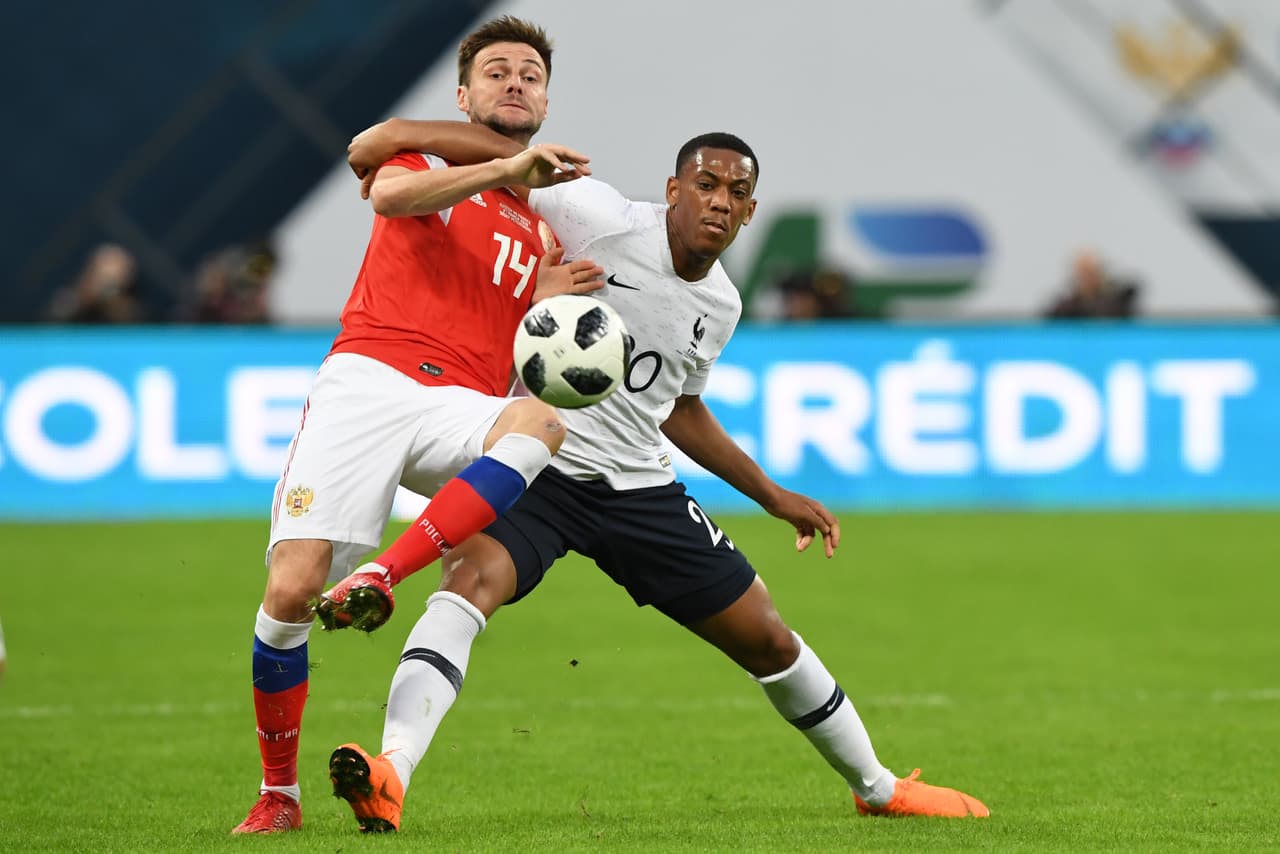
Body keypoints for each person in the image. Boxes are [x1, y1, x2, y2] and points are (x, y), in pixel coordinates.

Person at [326, 121, 990, 833]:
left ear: (751, 211)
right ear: (673, 190)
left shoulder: (721, 305)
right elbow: (503, 171)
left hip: (639, 489)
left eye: (737, 193)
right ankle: (391, 772)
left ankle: (878, 787)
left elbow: (678, 408)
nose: (720, 203)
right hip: (536, 468)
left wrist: (774, 497)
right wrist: (430, 154)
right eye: (705, 185)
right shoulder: (597, 214)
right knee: (466, 587)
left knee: (767, 637)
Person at [230, 16, 607, 834]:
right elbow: (389, 194)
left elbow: (514, 355)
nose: (516, 82)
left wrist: (544, 308)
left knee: (543, 423)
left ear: (546, 101)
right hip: (367, 378)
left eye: (531, 75)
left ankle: (383, 577)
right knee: (291, 593)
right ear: (464, 95)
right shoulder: (425, 161)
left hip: (458, 399)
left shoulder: (543, 234)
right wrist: (504, 166)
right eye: (498, 71)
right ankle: (280, 795)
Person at [1045, 249, 1141, 319]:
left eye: (1090, 273)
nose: (1087, 278)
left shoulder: (1114, 301)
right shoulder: (1069, 305)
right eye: (1082, 274)